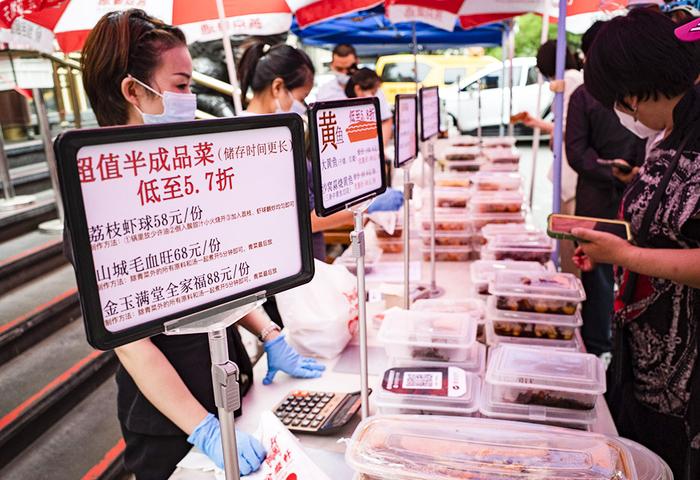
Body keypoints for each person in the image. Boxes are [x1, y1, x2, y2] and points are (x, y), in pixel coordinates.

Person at [80, 10, 326, 478]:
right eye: (181, 85)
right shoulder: (97, 200)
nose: (192, 98)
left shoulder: (184, 172)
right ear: (133, 91)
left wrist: (269, 335)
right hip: (172, 426)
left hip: (229, 384)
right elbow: (132, 346)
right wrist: (205, 429)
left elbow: (216, 273)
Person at [574, 9, 700, 478]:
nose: (624, 112)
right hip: (647, 367)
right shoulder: (670, 134)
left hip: (688, 383)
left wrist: (628, 256)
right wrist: (613, 243)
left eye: (623, 101)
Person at [237, 42, 403, 262]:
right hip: (290, 262)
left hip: (306, 256)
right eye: (301, 97)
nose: (303, 105)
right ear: (277, 87)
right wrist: (365, 205)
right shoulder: (261, 141)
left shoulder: (276, 131)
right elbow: (301, 220)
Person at [564, 21, 646, 360]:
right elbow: (576, 152)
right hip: (597, 201)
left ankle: (621, 349)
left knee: (635, 277)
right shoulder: (583, 95)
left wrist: (641, 172)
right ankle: (597, 347)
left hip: (639, 196)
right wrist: (614, 171)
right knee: (595, 274)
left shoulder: (644, 90)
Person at [516, 39, 583, 275]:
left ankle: (570, 289)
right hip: (566, 170)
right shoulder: (569, 79)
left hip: (570, 172)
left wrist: (539, 124)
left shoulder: (571, 79)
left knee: (568, 238)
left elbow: (568, 129)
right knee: (564, 235)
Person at [316, 44, 393, 145]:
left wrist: (380, 150)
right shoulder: (324, 92)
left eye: (349, 68)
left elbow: (386, 120)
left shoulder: (372, 90)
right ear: (332, 65)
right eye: (339, 69)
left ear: (357, 62)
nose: (344, 72)